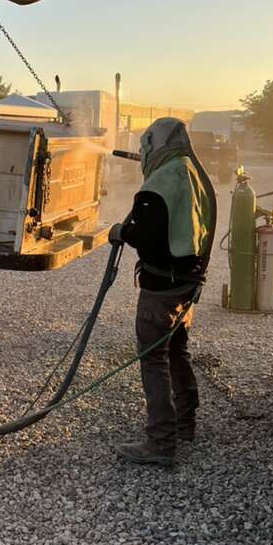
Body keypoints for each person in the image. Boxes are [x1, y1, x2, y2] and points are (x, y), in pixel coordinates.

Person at [110, 118, 216, 466]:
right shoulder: (190, 172)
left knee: (153, 359)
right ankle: (185, 422)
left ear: (153, 145)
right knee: (176, 351)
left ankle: (160, 441)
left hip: (161, 289)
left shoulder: (157, 186)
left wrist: (121, 232)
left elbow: (148, 240)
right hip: (186, 285)